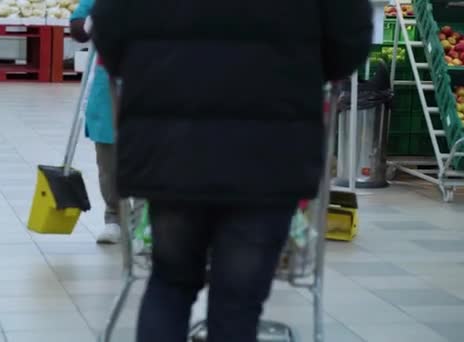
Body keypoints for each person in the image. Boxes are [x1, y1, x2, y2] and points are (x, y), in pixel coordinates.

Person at [91, 0, 373, 340]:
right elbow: (350, 39)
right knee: (238, 302)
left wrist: (150, 68)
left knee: (170, 283)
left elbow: (107, 27)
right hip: (269, 152)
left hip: (172, 149)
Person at [70, 2, 120, 244]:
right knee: (108, 156)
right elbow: (78, 30)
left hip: (149, 79)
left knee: (147, 153)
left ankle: (145, 223)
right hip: (106, 83)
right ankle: (114, 219)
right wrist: (92, 21)